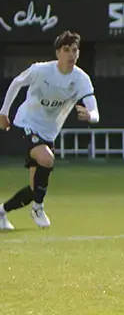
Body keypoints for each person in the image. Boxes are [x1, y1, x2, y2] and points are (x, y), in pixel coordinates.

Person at [0, 31, 100, 231]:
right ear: (58, 53)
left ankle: (2, 211)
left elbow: (94, 109)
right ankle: (38, 208)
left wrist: (91, 116)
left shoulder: (81, 79)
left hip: (47, 133)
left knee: (34, 188)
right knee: (47, 159)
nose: (71, 54)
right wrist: (3, 112)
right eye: (66, 50)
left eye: (74, 50)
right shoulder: (41, 70)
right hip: (25, 123)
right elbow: (17, 83)